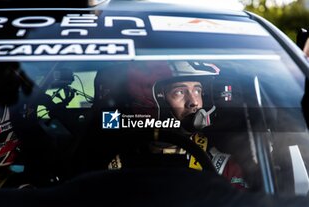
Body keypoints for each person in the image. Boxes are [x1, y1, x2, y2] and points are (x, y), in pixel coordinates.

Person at [104, 61, 248, 189]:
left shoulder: (221, 166)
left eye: (197, 90)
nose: (194, 102)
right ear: (152, 102)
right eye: (179, 92)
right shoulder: (114, 163)